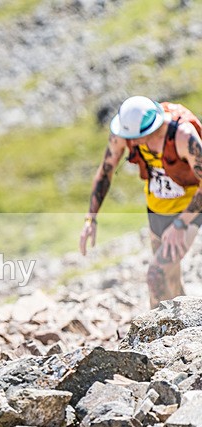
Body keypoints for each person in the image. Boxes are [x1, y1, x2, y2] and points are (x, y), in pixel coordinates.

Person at [80, 96, 202, 308]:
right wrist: (91, 218)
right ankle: (186, 324)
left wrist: (181, 224)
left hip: (188, 209)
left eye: (137, 137)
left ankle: (156, 334)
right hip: (157, 209)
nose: (131, 143)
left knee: (156, 275)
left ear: (153, 128)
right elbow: (105, 172)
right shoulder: (125, 134)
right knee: (170, 279)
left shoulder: (183, 137)